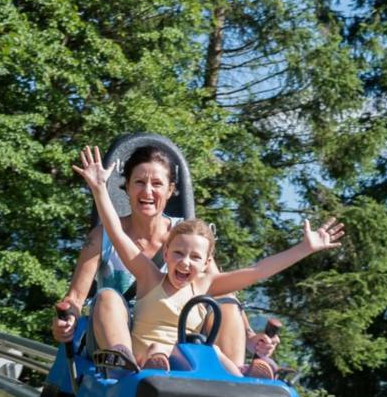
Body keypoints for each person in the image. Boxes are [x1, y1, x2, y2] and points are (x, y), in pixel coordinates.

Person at [72, 145, 345, 374]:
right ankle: (129, 365)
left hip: (183, 354)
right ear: (165, 254)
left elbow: (257, 271)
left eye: (194, 258)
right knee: (111, 300)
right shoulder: (148, 276)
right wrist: (99, 189)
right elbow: (116, 233)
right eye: (177, 254)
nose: (185, 263)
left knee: (215, 335)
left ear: (206, 263)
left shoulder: (203, 284)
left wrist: (303, 248)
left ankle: (244, 376)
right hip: (137, 350)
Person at [51, 143, 261, 368]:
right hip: (116, 336)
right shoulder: (104, 236)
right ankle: (127, 371)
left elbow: (221, 288)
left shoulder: (186, 238)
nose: (148, 191)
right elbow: (75, 297)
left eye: (157, 184)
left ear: (170, 190)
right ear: (127, 187)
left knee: (226, 304)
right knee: (107, 296)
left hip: (174, 338)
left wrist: (250, 335)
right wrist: (67, 319)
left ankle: (232, 379)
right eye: (139, 182)